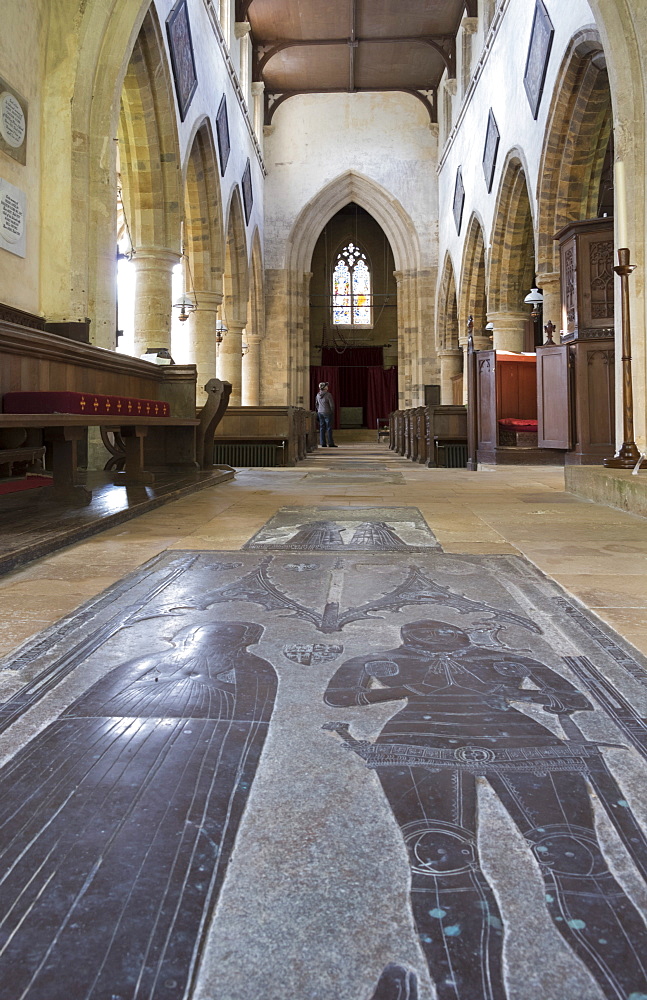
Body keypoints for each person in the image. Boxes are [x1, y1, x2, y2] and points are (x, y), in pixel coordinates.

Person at [324, 619, 647, 1000]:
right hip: (417, 740)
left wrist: (546, 697)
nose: (442, 636)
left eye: (448, 631)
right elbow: (339, 696)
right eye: (429, 633)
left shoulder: (503, 658)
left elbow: (572, 698)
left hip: (523, 740)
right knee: (438, 856)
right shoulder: (376, 659)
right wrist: (405, 688)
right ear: (407, 637)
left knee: (573, 856)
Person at [315, 380, 337, 447]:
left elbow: (316, 404)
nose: (327, 387)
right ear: (324, 387)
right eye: (326, 386)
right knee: (329, 428)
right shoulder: (328, 395)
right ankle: (330, 443)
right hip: (327, 412)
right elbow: (332, 405)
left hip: (320, 412)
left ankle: (323, 443)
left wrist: (319, 410)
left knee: (322, 428)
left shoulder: (318, 395)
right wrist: (332, 411)